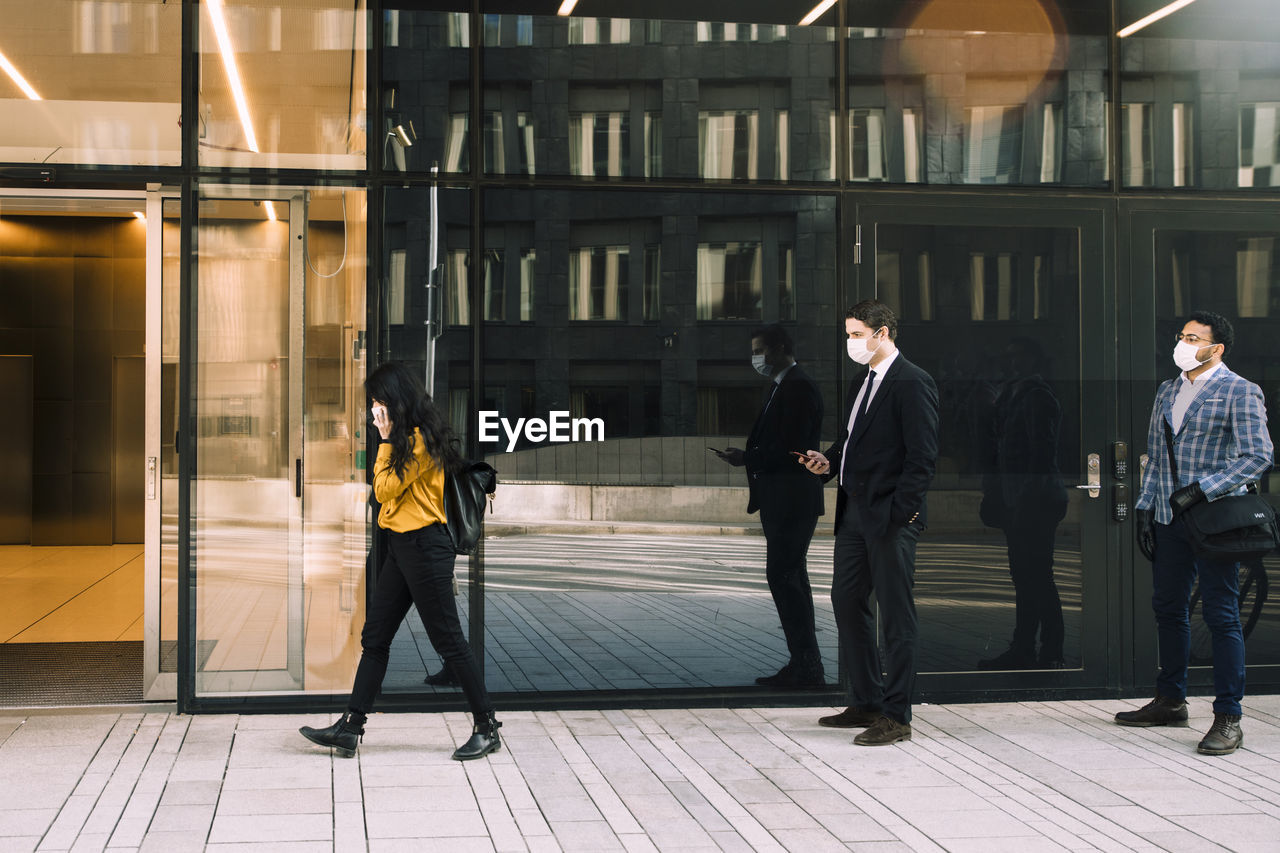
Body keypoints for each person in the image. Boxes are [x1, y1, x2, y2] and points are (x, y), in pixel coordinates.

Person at [300, 361, 502, 761]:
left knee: (449, 640)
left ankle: (487, 726)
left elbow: (383, 489)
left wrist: (386, 439)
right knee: (375, 637)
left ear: (396, 400)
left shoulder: (420, 440)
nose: (374, 409)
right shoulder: (409, 438)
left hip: (426, 547)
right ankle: (351, 727)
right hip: (401, 546)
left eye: (378, 401)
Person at [1116, 311, 1273, 755]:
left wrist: (1200, 491)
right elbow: (1156, 456)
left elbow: (1256, 456)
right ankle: (1170, 700)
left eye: (1193, 337)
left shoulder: (1240, 391)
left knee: (1221, 613)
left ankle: (1229, 716)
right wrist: (1147, 508)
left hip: (1215, 521)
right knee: (1168, 608)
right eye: (1182, 335)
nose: (1183, 343)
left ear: (1216, 348)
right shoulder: (1169, 389)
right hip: (1169, 521)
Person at [799, 300, 938, 746]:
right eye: (849, 334)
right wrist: (829, 461)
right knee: (846, 601)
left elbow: (922, 457)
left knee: (896, 616)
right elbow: (851, 438)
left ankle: (897, 716)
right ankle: (866, 701)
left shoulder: (913, 382)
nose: (851, 342)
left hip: (890, 517)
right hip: (854, 512)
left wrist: (904, 513)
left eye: (857, 334)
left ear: (882, 334)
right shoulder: (864, 380)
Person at [715, 324, 826, 688]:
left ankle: (807, 666)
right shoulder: (783, 387)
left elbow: (792, 447)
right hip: (784, 498)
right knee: (789, 577)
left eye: (759, 350)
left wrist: (748, 458)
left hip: (792, 498)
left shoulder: (798, 387)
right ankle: (804, 664)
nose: (756, 359)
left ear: (779, 349)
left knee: (786, 577)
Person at [977, 337, 1068, 670]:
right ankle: (1026, 646)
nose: (1008, 365)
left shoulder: (1037, 398)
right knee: (1026, 576)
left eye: (1014, 359)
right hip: (1022, 500)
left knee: (1037, 575)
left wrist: (1023, 501)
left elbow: (1040, 455)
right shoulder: (1012, 397)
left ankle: (1050, 650)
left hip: (1036, 501)